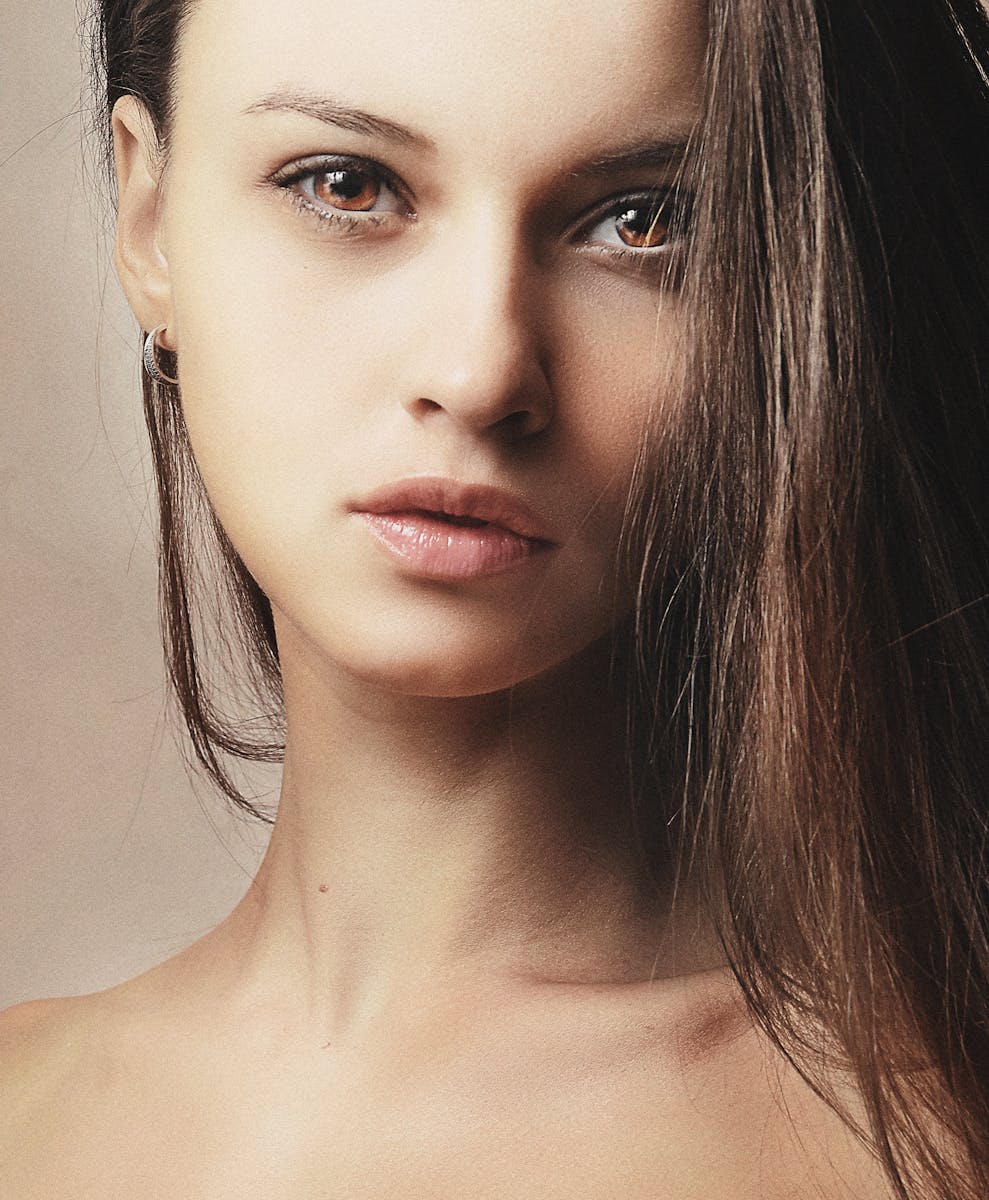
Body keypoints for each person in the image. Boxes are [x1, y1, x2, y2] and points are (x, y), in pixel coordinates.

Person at [1, 0, 986, 1195]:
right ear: (149, 217)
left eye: (644, 221)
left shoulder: (929, 1139)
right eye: (346, 186)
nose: (477, 372)